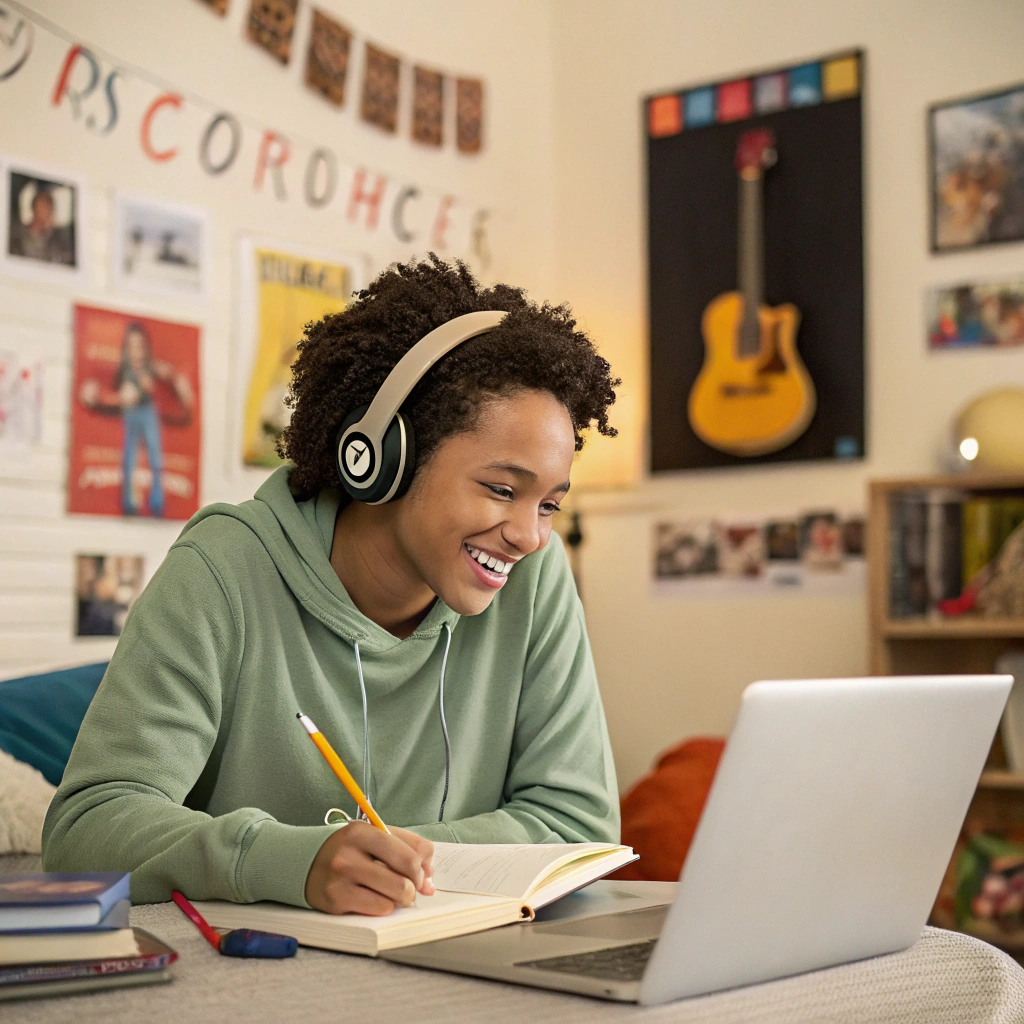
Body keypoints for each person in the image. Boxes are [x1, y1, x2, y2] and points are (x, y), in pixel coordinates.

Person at [43, 256, 622, 918]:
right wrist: (291, 860)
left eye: (549, 504)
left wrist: (384, 864)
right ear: (379, 457)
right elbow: (84, 832)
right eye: (501, 489)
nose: (529, 534)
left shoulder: (534, 578)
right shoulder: (222, 570)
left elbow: (581, 828)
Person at [78, 321, 195, 517]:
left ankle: (157, 501)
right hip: (131, 414)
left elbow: (168, 374)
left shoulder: (150, 367)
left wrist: (175, 379)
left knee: (155, 457)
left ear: (146, 347)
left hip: (148, 412)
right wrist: (104, 396)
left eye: (139, 346)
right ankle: (129, 502)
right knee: (129, 458)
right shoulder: (124, 371)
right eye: (131, 347)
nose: (136, 352)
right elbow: (110, 393)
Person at [8, 181, 75, 265]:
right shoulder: (19, 235)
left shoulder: (58, 238)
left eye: (48, 207)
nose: (44, 211)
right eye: (41, 205)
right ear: (33, 208)